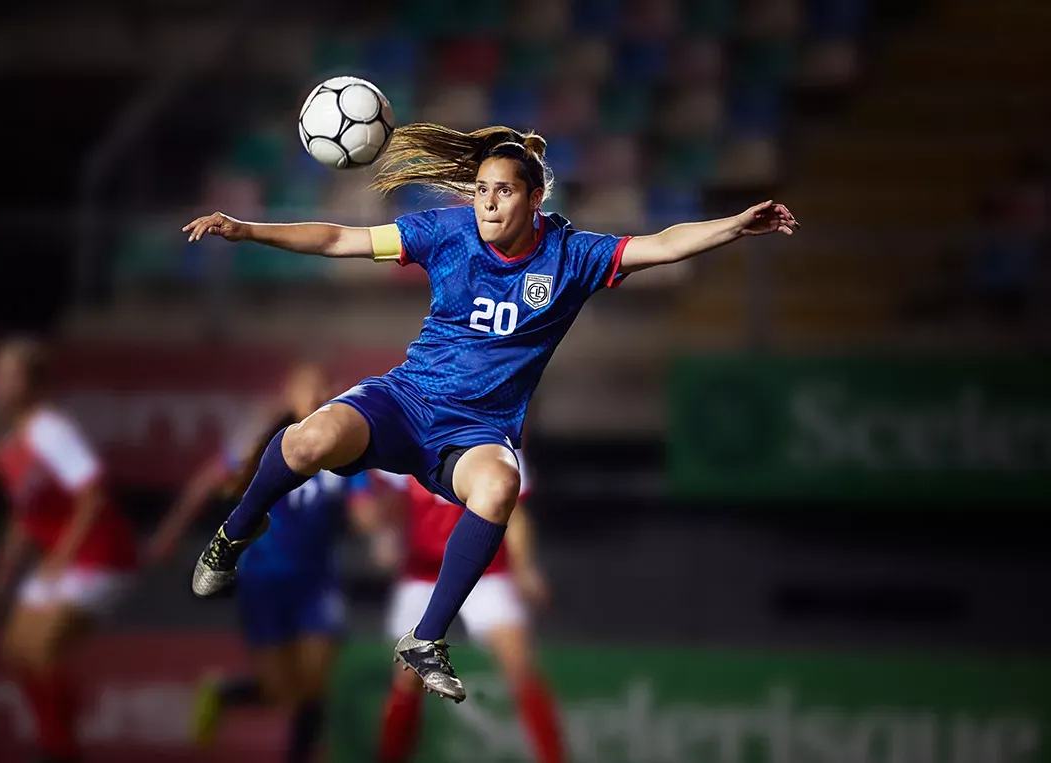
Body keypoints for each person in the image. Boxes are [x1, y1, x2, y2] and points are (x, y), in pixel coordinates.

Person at [182, 123, 799, 702]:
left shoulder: (571, 254)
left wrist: (735, 225)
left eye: (503, 191)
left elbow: (662, 244)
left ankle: (425, 639)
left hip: (475, 432)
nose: (487, 204)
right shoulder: (447, 232)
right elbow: (342, 238)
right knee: (306, 441)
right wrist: (247, 229)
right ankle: (234, 534)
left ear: (534, 198)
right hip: (405, 401)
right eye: (480, 191)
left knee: (501, 483)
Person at [147, 363, 374, 762]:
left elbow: (363, 508)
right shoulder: (264, 441)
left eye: (324, 389)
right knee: (281, 690)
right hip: (263, 581)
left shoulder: (344, 446)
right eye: (308, 390)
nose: (317, 398)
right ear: (290, 394)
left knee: (317, 680)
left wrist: (378, 527)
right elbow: (208, 482)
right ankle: (224, 693)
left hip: (316, 581)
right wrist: (170, 533)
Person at [0, 337, 137, 763]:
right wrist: (3, 571)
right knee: (15, 650)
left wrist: (62, 556)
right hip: (62, 560)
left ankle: (59, 747)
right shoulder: (10, 441)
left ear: (32, 383)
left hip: (99, 556)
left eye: (9, 374)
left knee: (42, 649)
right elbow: (25, 516)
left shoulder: (51, 430)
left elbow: (93, 496)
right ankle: (58, 736)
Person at [370, 453, 564, 763]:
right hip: (423, 575)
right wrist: (385, 535)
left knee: (520, 664)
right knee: (408, 676)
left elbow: (515, 514)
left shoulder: (500, 445)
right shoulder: (410, 434)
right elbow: (391, 503)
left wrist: (525, 566)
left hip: (486, 571)